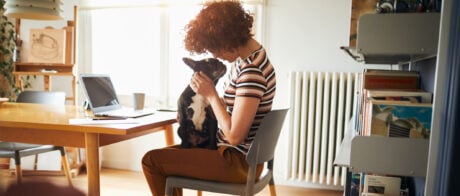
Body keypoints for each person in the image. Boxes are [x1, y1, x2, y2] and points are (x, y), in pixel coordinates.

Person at [141, 1, 276, 195]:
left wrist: (212, 94)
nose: (215, 55)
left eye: (215, 48)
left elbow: (235, 136)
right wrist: (202, 105)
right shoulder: (253, 59)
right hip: (236, 156)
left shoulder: (251, 72)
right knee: (165, 157)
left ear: (227, 38)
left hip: (235, 161)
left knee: (151, 161)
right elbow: (235, 111)